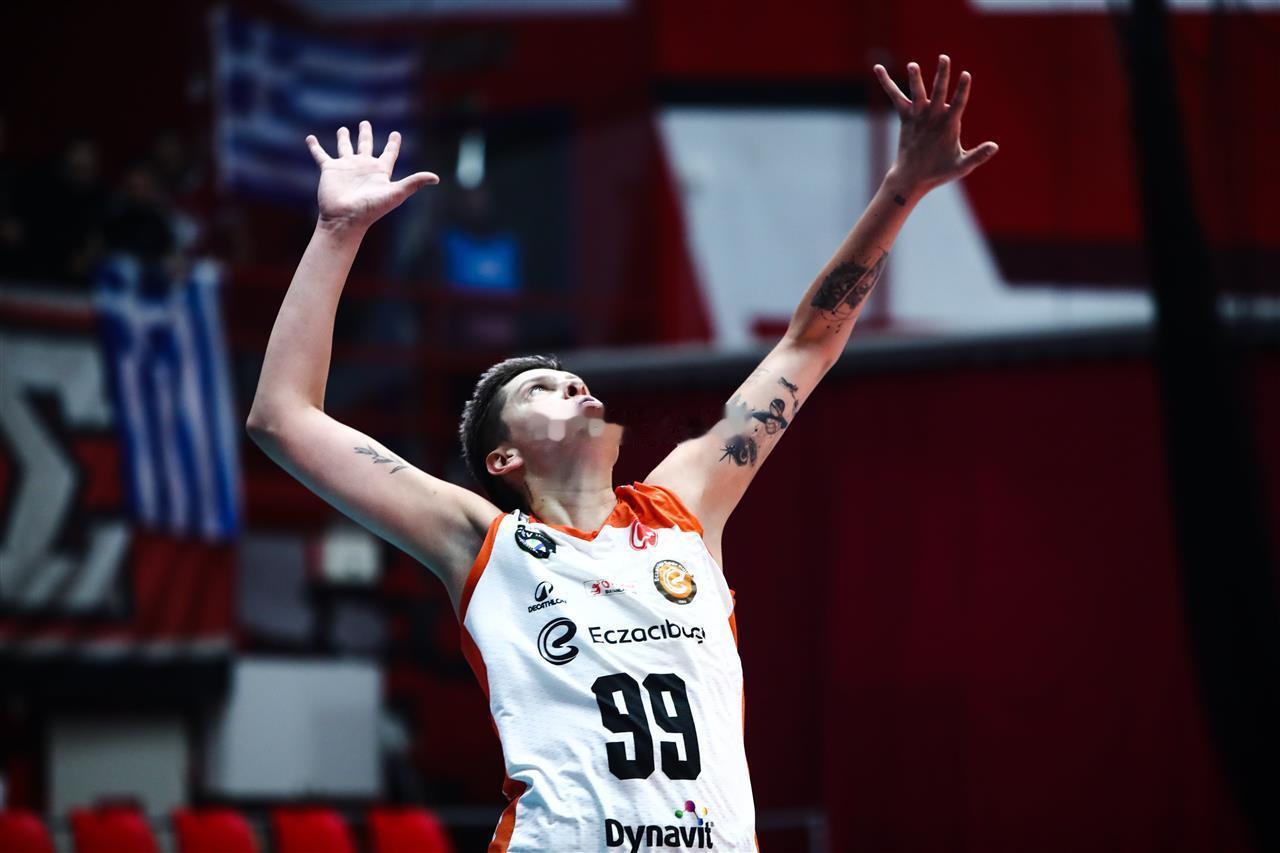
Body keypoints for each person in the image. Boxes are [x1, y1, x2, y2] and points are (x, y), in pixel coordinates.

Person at [247, 55, 997, 853]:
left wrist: (902, 190)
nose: (572, 386)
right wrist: (337, 232)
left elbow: (807, 345)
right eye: (540, 390)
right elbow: (282, 418)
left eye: (573, 380)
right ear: (503, 460)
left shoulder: (682, 506)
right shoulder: (485, 543)